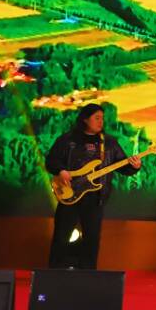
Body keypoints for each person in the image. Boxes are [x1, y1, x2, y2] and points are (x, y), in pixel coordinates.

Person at [46, 103, 141, 270]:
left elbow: (123, 167)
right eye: (96, 118)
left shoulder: (109, 143)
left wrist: (135, 166)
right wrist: (61, 171)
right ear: (85, 119)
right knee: (61, 236)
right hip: (69, 195)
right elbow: (51, 161)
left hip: (95, 198)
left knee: (92, 239)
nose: (100, 122)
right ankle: (55, 272)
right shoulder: (67, 140)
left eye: (102, 118)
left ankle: (88, 274)